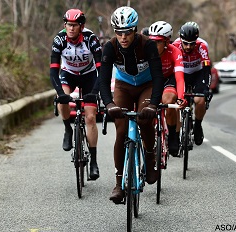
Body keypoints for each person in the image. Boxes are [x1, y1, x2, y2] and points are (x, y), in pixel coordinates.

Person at [99, 6, 164, 203]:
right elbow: (102, 80)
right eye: (119, 32)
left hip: (146, 85)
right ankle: (119, 184)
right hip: (123, 87)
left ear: (135, 30)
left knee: (145, 118)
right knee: (121, 130)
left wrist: (153, 105)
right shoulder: (110, 47)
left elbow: (159, 77)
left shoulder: (148, 45)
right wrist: (109, 104)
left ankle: (151, 159)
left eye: (127, 32)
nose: (123, 37)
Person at [50, 9, 102, 180]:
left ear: (82, 26)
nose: (71, 29)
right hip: (68, 74)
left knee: (90, 117)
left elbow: (102, 69)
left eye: (75, 25)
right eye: (68, 25)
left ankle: (93, 162)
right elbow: (53, 71)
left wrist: (94, 93)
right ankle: (67, 129)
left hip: (89, 76)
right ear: (64, 25)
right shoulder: (59, 40)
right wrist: (60, 94)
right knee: (62, 100)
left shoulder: (90, 39)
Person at [148, 21, 187, 156]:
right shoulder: (145, 50)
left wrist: (181, 98)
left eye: (157, 42)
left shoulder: (175, 52)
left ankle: (173, 136)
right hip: (151, 80)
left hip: (168, 80)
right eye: (151, 41)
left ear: (166, 42)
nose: (153, 45)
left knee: (168, 101)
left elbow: (180, 78)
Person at [172, 21, 212, 146]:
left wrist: (206, 86)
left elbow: (206, 68)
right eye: (185, 43)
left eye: (191, 44)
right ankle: (176, 134)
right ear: (180, 40)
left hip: (197, 73)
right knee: (176, 102)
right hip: (181, 73)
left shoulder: (202, 45)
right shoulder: (175, 45)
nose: (188, 47)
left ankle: (198, 126)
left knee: (200, 100)